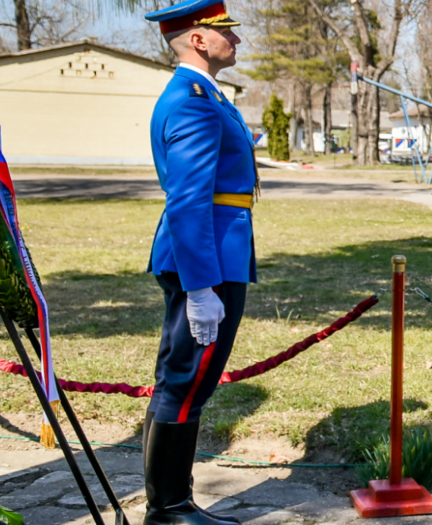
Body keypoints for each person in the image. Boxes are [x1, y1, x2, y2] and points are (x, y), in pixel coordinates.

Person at [143, 1, 257, 523]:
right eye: (225, 32)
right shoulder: (193, 101)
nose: (236, 40)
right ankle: (169, 509)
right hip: (206, 258)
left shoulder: (206, 95)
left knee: (187, 380)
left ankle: (174, 502)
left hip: (216, 251)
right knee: (186, 381)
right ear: (197, 40)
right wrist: (201, 287)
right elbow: (188, 200)